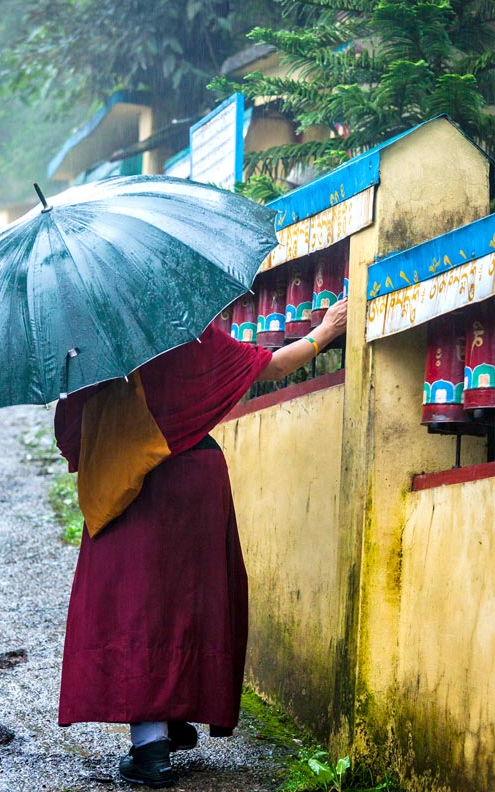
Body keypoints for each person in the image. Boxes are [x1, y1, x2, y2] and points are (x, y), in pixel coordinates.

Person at [53, 297, 348, 789]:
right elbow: (271, 367)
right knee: (190, 600)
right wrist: (326, 331)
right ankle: (169, 719)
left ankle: (151, 747)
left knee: (137, 606)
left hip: (129, 483)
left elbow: (72, 430)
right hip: (194, 478)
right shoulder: (182, 325)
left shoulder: (93, 344)